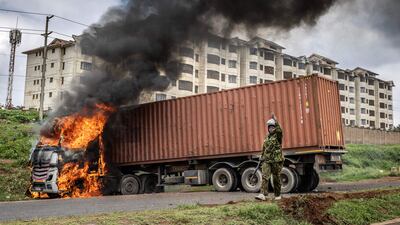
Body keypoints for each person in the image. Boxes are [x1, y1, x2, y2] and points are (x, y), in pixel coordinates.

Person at [255, 114, 284, 201]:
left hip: (276, 160)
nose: (271, 129)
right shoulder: (266, 138)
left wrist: (276, 121)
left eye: (273, 127)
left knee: (276, 178)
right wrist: (261, 156)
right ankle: (262, 194)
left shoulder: (278, 136)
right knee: (265, 176)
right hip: (267, 160)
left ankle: (277, 195)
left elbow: (280, 131)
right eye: (270, 127)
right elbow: (264, 148)